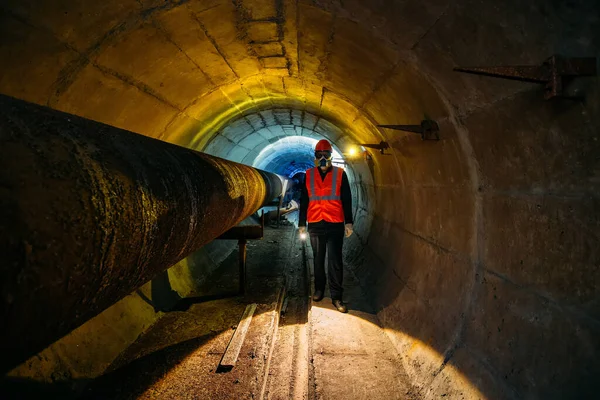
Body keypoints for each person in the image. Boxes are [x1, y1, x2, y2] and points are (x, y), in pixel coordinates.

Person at [298, 139, 353, 313]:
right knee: (318, 259)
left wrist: (349, 222)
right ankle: (319, 290)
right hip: (315, 222)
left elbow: (346, 199)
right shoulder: (309, 174)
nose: (322, 157)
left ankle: (337, 297)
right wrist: (301, 224)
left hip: (335, 223)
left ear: (330, 156)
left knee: (335, 261)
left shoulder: (340, 174)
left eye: (326, 154)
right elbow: (304, 200)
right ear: (315, 156)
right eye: (319, 155)